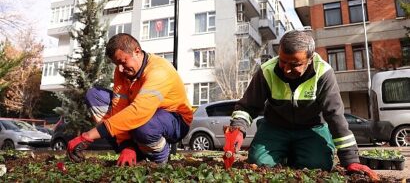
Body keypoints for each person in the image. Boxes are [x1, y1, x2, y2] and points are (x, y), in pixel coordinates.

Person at [224, 30, 378, 180]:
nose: (286, 69)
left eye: (295, 64)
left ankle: (295, 152)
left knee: (318, 165)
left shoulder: (323, 73)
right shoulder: (267, 71)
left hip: (312, 129)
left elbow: (335, 116)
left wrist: (351, 160)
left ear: (310, 59)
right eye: (283, 61)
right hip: (275, 128)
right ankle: (286, 151)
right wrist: (238, 128)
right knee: (259, 163)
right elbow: (247, 106)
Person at [66, 33, 193, 166]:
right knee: (94, 95)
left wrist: (87, 136)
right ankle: (135, 152)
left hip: (175, 119)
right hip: (141, 114)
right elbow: (118, 107)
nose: (120, 69)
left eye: (122, 62)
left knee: (145, 126)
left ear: (137, 52)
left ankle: (159, 157)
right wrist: (126, 145)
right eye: (116, 64)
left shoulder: (159, 71)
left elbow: (139, 112)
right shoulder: (121, 70)